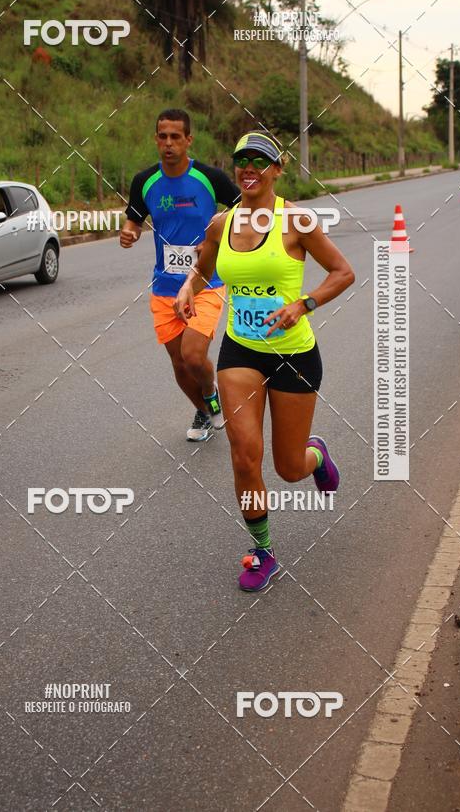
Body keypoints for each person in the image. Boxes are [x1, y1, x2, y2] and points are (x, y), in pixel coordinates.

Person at [174, 131, 355, 591]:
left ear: (277, 168)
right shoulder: (221, 223)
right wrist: (189, 286)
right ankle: (262, 550)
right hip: (242, 352)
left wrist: (303, 305)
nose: (249, 168)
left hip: (294, 354)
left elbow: (343, 272)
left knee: (287, 467)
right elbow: (205, 265)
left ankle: (315, 458)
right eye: (242, 161)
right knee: (244, 456)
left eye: (260, 160)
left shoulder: (297, 221)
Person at [121, 109, 240, 441]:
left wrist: (215, 233)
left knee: (192, 354)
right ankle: (205, 410)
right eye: (163, 136)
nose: (169, 143)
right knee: (179, 364)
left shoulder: (209, 177)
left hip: (206, 283)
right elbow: (133, 217)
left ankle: (211, 392)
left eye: (176, 136)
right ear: (156, 139)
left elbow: (243, 208)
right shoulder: (145, 181)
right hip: (164, 287)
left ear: (189, 139)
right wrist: (129, 232)